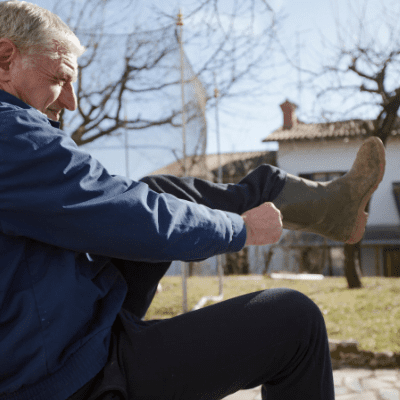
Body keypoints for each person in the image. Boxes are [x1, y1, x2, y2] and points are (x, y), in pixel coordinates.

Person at [0, 2, 385, 400]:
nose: (70, 102)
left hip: (58, 331)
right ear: (5, 57)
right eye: (61, 78)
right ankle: (293, 200)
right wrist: (242, 230)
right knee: (295, 322)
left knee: (161, 191)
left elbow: (111, 203)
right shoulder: (9, 132)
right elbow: (124, 213)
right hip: (65, 376)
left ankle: (308, 202)